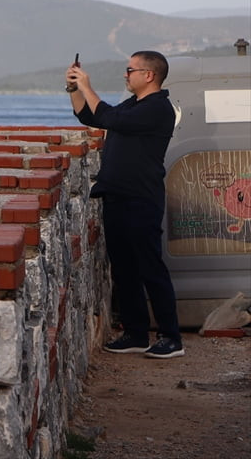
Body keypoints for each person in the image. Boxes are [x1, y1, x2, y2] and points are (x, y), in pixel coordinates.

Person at [66, 51, 183, 358]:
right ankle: (136, 334)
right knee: (124, 268)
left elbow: (111, 118)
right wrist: (74, 89)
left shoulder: (158, 108)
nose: (125, 74)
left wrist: (88, 86)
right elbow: (92, 117)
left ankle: (171, 337)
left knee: (150, 267)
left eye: (130, 70)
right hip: (117, 195)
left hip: (141, 198)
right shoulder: (134, 105)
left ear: (149, 75)